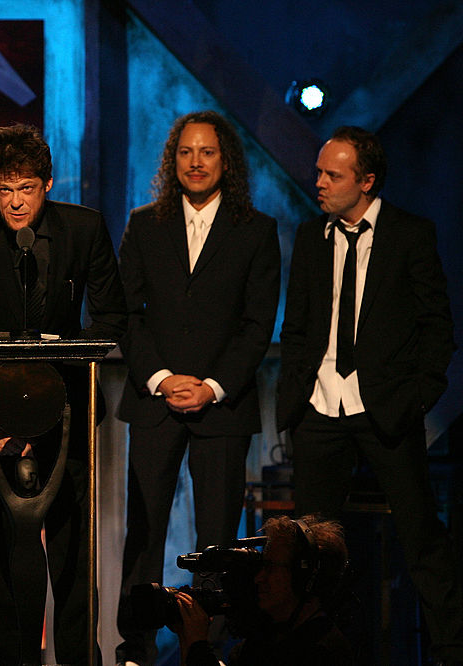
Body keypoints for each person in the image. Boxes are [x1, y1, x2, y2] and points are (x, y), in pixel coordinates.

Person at [0, 123, 126, 664]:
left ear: (47, 184)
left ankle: (76, 657)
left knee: (72, 552)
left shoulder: (84, 231)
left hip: (66, 414)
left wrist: (59, 390)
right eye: (4, 190)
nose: (15, 203)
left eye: (26, 188)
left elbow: (110, 320)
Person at [276, 126, 463, 664]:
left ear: (367, 181)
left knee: (422, 536)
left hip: (384, 407)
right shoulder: (313, 236)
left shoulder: (409, 234)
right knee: (312, 545)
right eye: (318, 173)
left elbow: (437, 325)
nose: (319, 183)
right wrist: (296, 391)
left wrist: (418, 397)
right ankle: (311, 650)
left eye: (332, 175)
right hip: (320, 408)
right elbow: (299, 325)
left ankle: (451, 648)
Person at [115, 110, 281, 666]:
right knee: (144, 534)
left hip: (222, 408)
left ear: (225, 160)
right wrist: (162, 379)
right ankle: (134, 646)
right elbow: (125, 314)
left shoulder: (256, 230)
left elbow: (258, 325)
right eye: (185, 151)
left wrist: (211, 386)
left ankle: (209, 646)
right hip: (155, 401)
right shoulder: (144, 224)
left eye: (206, 151)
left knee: (218, 544)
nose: (195, 161)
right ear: (172, 160)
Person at [171, 515, 353, 666]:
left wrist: (198, 645)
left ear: (303, 577)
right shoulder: (268, 638)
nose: (259, 578)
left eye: (271, 567)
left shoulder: (321, 653)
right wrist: (187, 638)